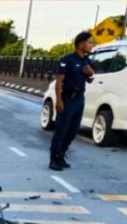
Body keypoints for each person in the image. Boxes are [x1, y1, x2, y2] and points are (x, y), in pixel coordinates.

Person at [49, 31, 94, 171]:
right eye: (89, 42)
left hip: (80, 99)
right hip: (68, 99)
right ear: (80, 44)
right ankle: (53, 159)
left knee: (73, 130)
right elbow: (59, 81)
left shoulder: (86, 61)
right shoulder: (67, 60)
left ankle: (61, 154)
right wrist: (59, 100)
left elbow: (89, 79)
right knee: (61, 130)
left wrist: (90, 74)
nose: (91, 45)